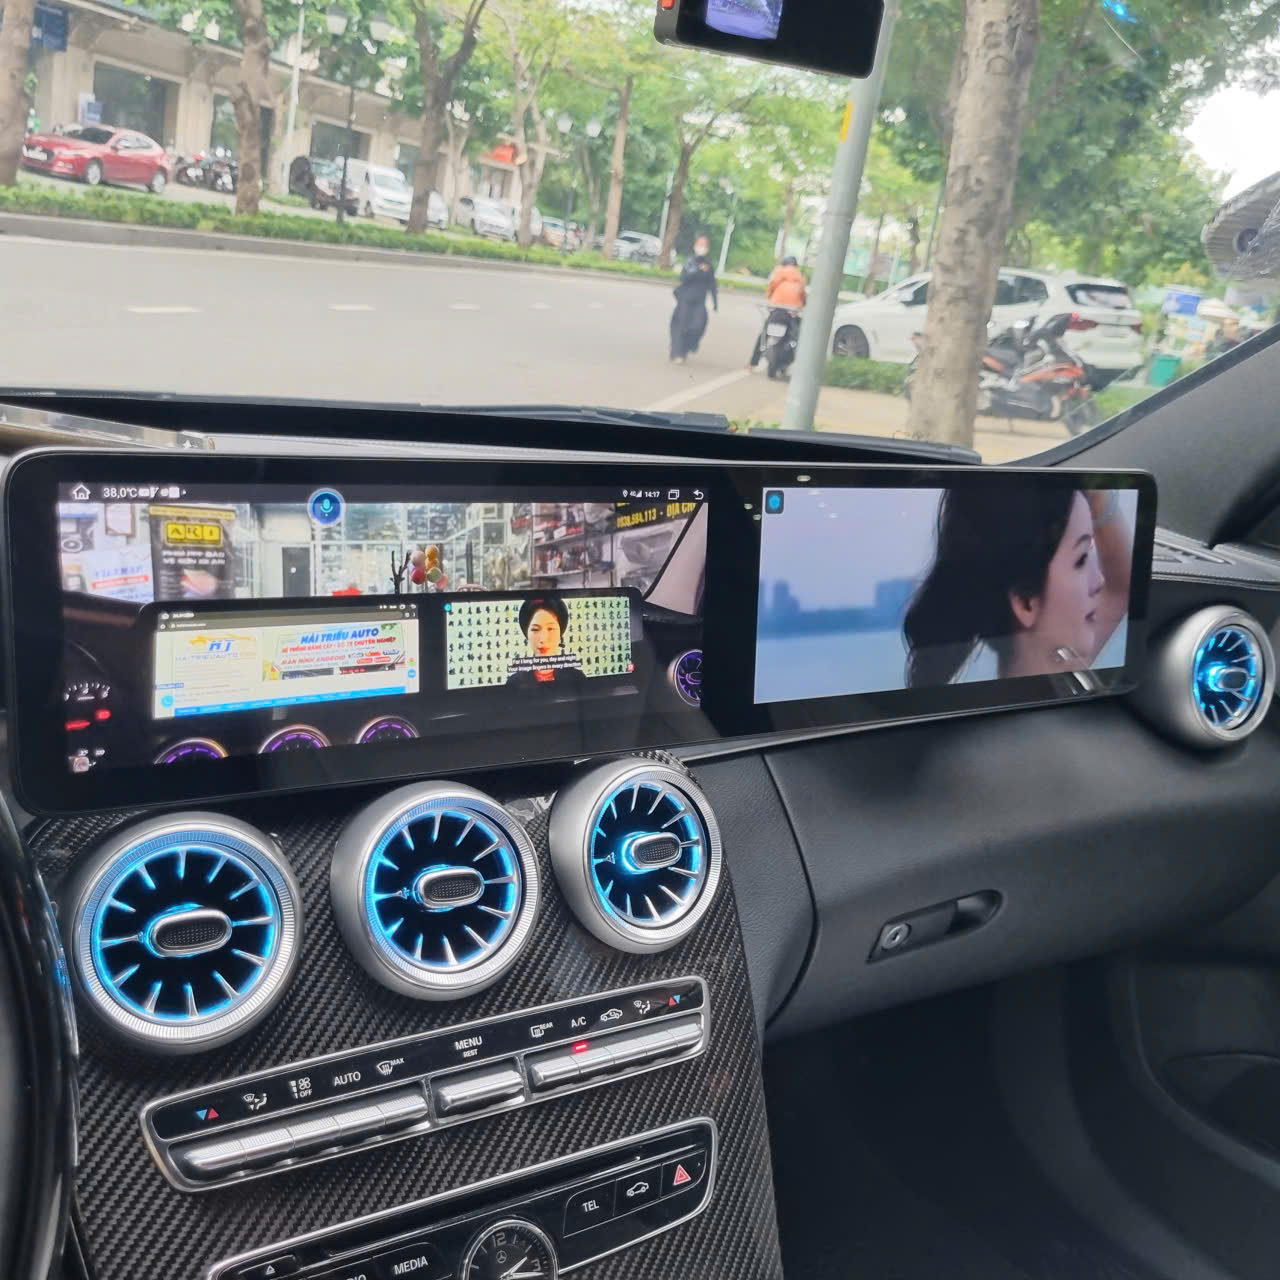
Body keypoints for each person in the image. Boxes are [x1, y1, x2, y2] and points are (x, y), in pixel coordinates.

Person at [903, 486, 1133, 686]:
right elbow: (1120, 587)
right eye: (1081, 559)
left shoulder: (1061, 675)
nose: (1099, 581)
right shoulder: (1062, 681)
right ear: (1025, 602)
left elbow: (1122, 586)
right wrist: (1097, 491)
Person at [506, 593, 586, 689]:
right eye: (535, 629)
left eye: (551, 629)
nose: (543, 639)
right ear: (526, 633)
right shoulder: (515, 682)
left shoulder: (576, 678)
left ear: (560, 633)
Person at [748, 256, 807, 369]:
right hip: (792, 313)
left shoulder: (779, 273)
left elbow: (770, 290)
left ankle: (752, 363)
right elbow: (803, 297)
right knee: (798, 336)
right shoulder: (800, 277)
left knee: (764, 334)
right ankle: (798, 364)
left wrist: (772, 299)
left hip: (776, 310)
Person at [669, 235, 718, 363]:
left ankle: (687, 347)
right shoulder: (690, 261)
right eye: (700, 245)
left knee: (698, 326)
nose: (702, 248)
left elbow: (712, 284)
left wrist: (715, 302)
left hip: (699, 301)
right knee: (681, 326)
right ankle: (677, 353)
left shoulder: (708, 264)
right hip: (685, 299)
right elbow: (683, 278)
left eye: (705, 245)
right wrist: (697, 270)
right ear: (695, 246)